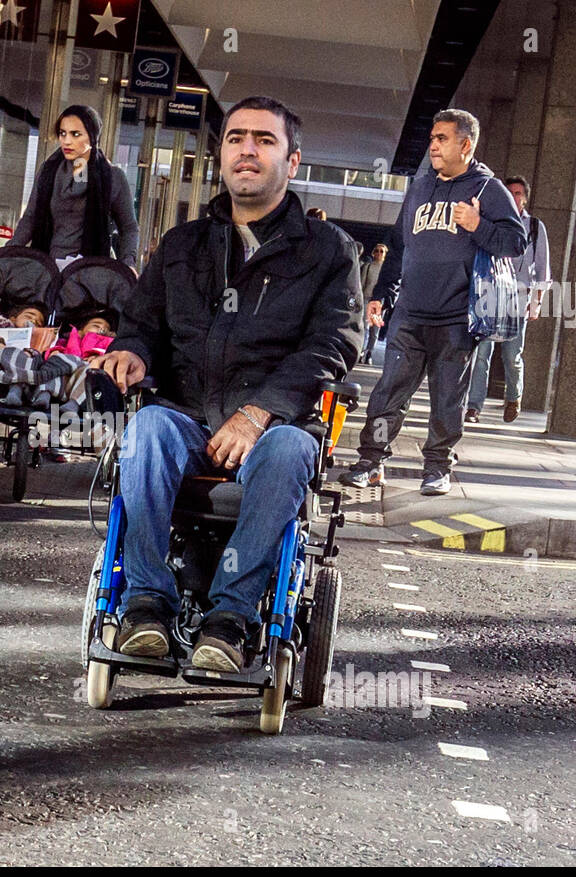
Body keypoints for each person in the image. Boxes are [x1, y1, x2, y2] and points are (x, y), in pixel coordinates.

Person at [92, 95, 362, 673]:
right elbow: (141, 326)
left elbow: (333, 344)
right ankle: (146, 606)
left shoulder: (329, 253)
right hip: (186, 416)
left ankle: (230, 619)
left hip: (274, 426)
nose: (248, 150)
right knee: (146, 429)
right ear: (221, 154)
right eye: (237, 138)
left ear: (291, 162)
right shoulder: (182, 246)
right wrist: (132, 354)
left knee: (292, 449)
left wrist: (260, 411)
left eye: (265, 140)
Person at [342, 108, 526, 496]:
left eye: (442, 138)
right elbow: (398, 246)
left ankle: (438, 468)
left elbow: (515, 242)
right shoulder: (420, 187)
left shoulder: (488, 190)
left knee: (447, 399)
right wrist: (381, 296)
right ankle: (371, 462)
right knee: (388, 392)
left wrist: (479, 225)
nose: (433, 146)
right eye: (432, 138)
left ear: (466, 144)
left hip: (458, 317)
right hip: (409, 313)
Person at [9, 105, 138, 271]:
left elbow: (128, 228)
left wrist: (128, 263)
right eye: (63, 133)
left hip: (90, 274)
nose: (66, 141)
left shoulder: (113, 177)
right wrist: (8, 252)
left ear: (92, 137)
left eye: (75, 134)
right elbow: (30, 218)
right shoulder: (48, 172)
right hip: (46, 269)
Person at [465, 175, 551, 423]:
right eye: (508, 193)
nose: (513, 197)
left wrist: (536, 303)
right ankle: (474, 407)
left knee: (512, 356)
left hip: (518, 299)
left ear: (524, 198)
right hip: (489, 296)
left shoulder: (535, 227)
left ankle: (513, 397)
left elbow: (542, 269)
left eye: (517, 193)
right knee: (481, 354)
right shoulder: (491, 222)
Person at [359, 243, 388, 363]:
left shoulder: (387, 269)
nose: (379, 253)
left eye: (382, 251)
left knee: (374, 331)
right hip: (367, 298)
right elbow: (361, 284)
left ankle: (369, 353)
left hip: (379, 302)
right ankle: (361, 352)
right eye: (377, 251)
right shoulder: (368, 266)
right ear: (373, 252)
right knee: (365, 327)